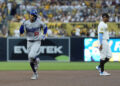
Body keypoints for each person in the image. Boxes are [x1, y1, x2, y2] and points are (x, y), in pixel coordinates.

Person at [19, 9, 47, 80]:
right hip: (29, 42)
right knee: (30, 60)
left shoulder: (39, 22)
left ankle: (36, 60)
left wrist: (44, 34)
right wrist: (22, 27)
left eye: (33, 15)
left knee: (31, 55)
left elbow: (45, 27)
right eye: (31, 15)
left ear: (35, 16)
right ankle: (35, 73)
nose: (32, 16)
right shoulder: (26, 22)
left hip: (37, 41)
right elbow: (21, 31)